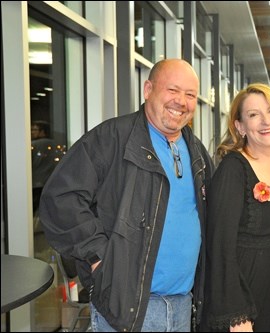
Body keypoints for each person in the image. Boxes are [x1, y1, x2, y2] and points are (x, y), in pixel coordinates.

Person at [39, 59, 215, 332]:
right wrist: (99, 258)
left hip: (183, 305)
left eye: (190, 95)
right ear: (148, 90)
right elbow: (61, 198)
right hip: (128, 308)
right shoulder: (110, 139)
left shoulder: (196, 151)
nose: (181, 101)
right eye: (173, 90)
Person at [202, 83, 270, 332]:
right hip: (240, 293)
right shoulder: (233, 169)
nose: (266, 121)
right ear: (240, 126)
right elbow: (219, 245)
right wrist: (236, 315)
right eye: (254, 115)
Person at [31, 120, 59, 213]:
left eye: (35, 129)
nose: (32, 132)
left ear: (43, 132)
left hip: (36, 182)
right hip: (51, 182)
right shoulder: (56, 144)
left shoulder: (33, 145)